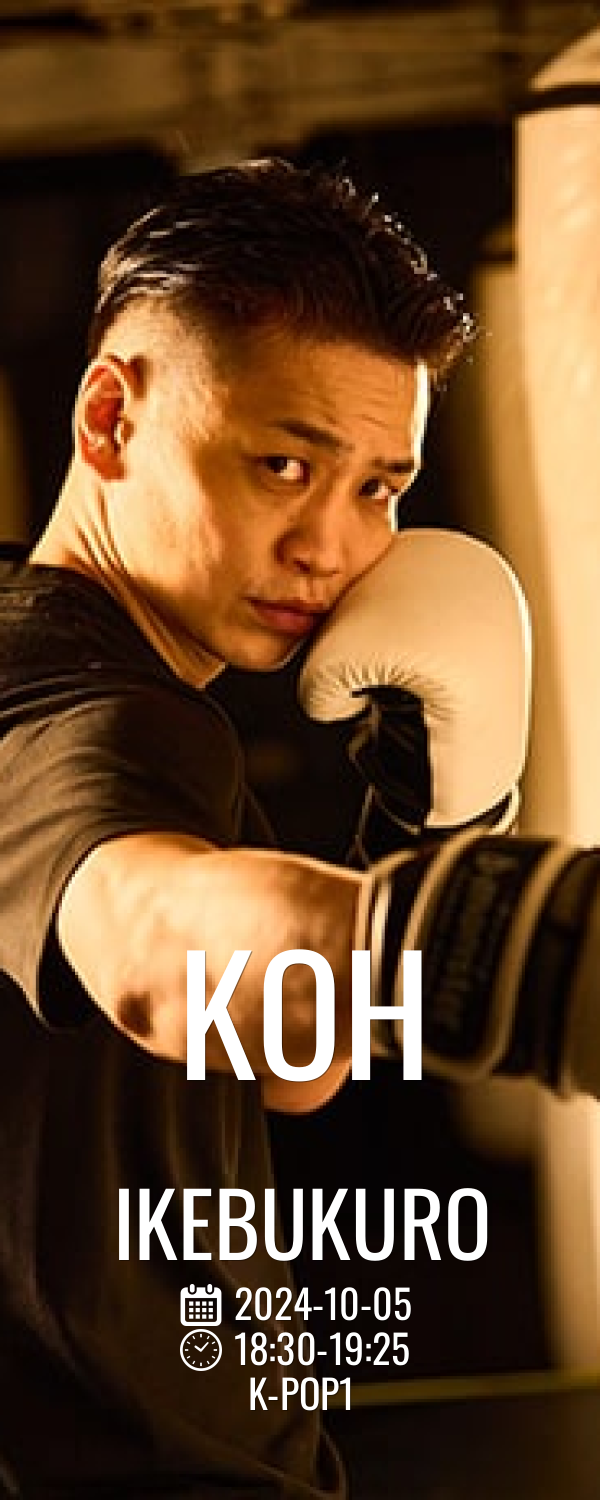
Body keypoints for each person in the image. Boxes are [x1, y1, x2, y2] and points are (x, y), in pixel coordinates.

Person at [0, 157, 530, 1499]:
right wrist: (527, 945)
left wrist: (435, 825)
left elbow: (290, 1060)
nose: (329, 546)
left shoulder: (117, 684)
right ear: (111, 418)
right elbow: (151, 942)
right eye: (284, 465)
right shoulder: (85, 712)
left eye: (379, 487)